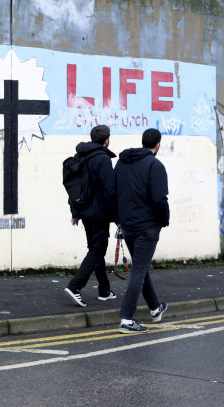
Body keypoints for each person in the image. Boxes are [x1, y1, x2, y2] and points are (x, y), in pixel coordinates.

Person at [113, 127, 169, 333]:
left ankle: (155, 308)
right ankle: (127, 319)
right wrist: (164, 221)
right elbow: (160, 199)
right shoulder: (155, 165)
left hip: (128, 226)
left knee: (140, 267)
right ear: (157, 145)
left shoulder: (121, 163)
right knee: (138, 270)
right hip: (147, 227)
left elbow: (113, 193)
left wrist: (119, 220)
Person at [63, 124, 118, 307]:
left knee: (96, 250)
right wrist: (118, 219)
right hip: (99, 213)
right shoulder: (103, 159)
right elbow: (109, 191)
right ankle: (75, 286)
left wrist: (75, 213)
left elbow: (74, 186)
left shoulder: (81, 156)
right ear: (106, 140)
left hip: (85, 213)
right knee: (97, 250)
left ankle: (105, 290)